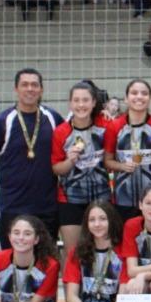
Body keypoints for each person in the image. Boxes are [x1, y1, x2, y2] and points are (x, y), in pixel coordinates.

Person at [0, 68, 64, 250]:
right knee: (11, 263)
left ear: (41, 90)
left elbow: (76, 134)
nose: (30, 89)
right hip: (13, 205)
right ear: (16, 89)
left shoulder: (53, 117)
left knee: (46, 264)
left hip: (47, 206)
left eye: (34, 85)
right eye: (25, 85)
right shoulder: (3, 121)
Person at [44, 202, 125, 302]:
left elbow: (124, 298)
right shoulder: (77, 252)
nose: (97, 224)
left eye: (102, 219)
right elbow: (71, 297)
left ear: (112, 220)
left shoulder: (123, 251)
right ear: (86, 224)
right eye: (92, 220)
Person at [51, 81, 111, 255]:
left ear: (93, 103)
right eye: (76, 100)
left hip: (101, 197)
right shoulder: (61, 132)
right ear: (70, 103)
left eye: (85, 100)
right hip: (70, 200)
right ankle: (73, 283)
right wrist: (70, 161)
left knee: (103, 250)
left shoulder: (106, 126)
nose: (81, 105)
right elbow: (56, 169)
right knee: (73, 253)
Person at [105, 78, 151, 222]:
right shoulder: (114, 126)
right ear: (126, 99)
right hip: (122, 199)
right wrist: (121, 166)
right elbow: (107, 161)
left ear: (150, 98)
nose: (139, 97)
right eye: (134, 93)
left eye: (144, 93)